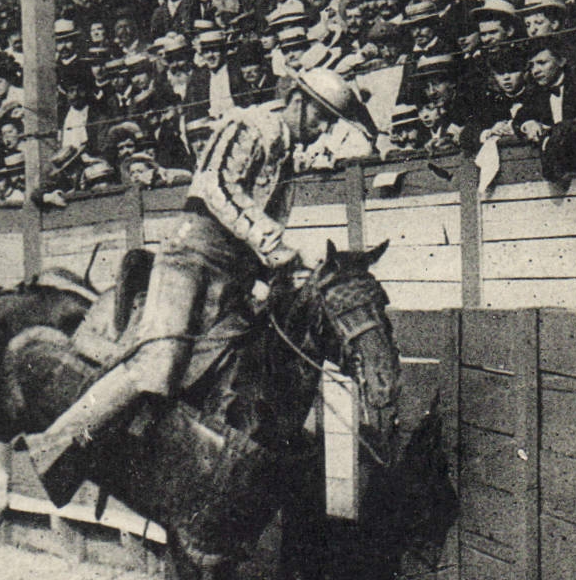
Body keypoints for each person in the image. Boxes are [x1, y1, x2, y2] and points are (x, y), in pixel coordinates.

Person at [22, 69, 377, 473]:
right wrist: (272, 243)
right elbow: (216, 187)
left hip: (234, 277)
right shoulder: (250, 123)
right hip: (191, 259)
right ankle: (51, 444)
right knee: (158, 363)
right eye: (321, 117)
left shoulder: (287, 158)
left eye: (330, 121)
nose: (323, 128)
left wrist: (280, 268)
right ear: (298, 101)